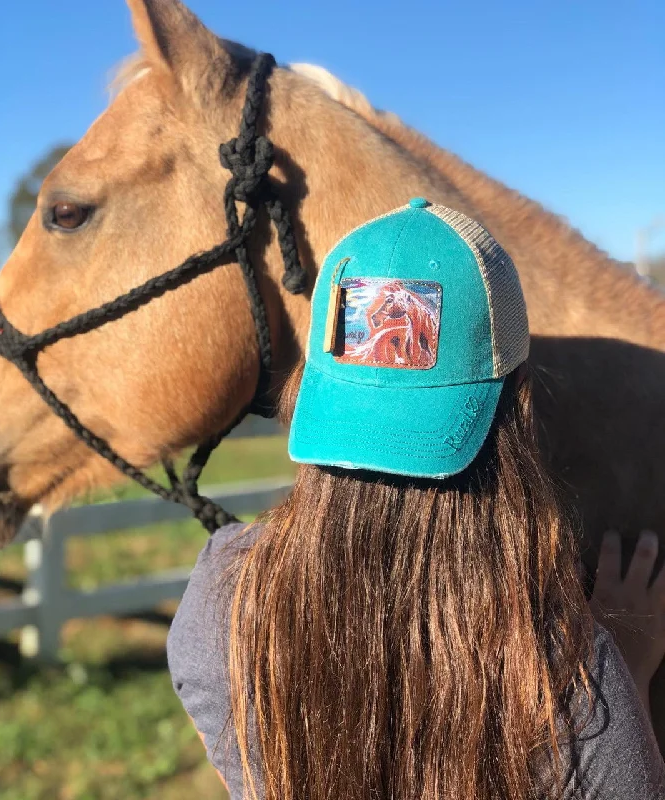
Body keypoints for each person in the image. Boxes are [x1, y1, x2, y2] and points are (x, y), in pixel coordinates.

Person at [167, 200, 665, 799]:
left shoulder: (217, 604)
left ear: (310, 390)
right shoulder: (575, 690)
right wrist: (627, 673)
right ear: (521, 403)